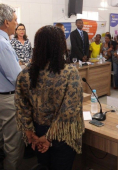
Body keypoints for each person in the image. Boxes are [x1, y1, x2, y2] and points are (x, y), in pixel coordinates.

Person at [15, 26, 84, 170]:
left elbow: (21, 106)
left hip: (37, 132)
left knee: (44, 166)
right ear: (60, 46)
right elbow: (69, 110)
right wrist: (48, 138)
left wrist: (30, 133)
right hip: (62, 136)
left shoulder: (26, 73)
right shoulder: (69, 72)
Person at [0, 4, 24, 170]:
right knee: (13, 144)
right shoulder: (3, 44)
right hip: (7, 98)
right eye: (15, 20)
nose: (17, 23)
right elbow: (16, 77)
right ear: (7, 22)